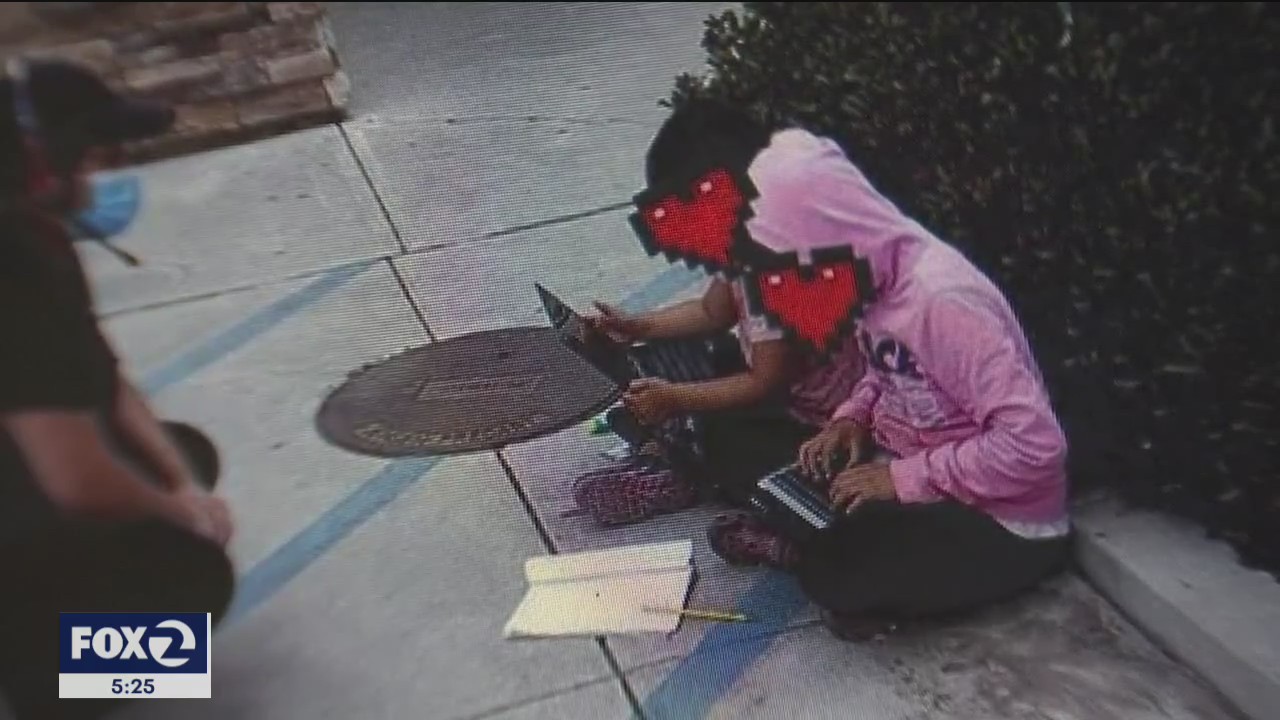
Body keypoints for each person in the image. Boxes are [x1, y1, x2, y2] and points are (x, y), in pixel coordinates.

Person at [701, 124, 1073, 639]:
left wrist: (901, 480)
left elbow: (1035, 447)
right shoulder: (867, 268)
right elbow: (887, 372)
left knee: (841, 574)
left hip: (999, 517)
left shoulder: (942, 303)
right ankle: (814, 538)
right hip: (903, 461)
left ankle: (813, 551)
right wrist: (850, 419)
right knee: (729, 434)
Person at [0, 59, 236, 719]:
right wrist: (178, 514)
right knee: (189, 585)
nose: (109, 168)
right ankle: (50, 687)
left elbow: (104, 375)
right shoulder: (10, 274)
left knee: (184, 454)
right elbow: (74, 478)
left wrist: (178, 483)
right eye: (98, 154)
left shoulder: (35, 239)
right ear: (44, 162)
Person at [584, 102, 865, 518]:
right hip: (781, 383)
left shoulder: (782, 272)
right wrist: (637, 325)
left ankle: (688, 470)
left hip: (812, 418)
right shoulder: (747, 250)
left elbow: (764, 382)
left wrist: (678, 399)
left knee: (728, 436)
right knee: (672, 355)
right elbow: (711, 312)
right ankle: (671, 441)